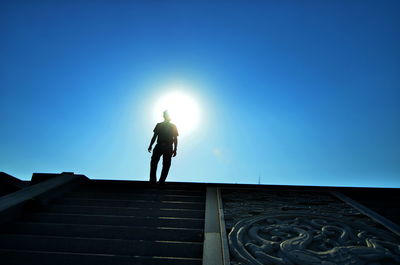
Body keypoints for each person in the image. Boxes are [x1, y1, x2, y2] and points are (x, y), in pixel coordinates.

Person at [148, 110, 179, 185]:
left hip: (168, 146)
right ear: (164, 116)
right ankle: (153, 180)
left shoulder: (173, 126)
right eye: (165, 115)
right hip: (159, 145)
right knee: (154, 162)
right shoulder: (159, 125)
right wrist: (150, 145)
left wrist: (175, 149)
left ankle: (161, 181)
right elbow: (154, 136)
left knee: (166, 164)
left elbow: (175, 138)